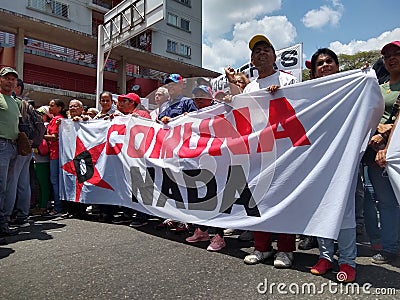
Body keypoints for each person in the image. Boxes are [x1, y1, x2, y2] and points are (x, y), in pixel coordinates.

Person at [240, 35, 298, 269]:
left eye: (266, 49)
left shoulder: (288, 80)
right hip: (259, 152)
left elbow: (301, 110)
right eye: (257, 51)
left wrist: (281, 97)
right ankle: (262, 247)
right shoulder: (251, 87)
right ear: (252, 60)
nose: (261, 53)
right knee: (258, 198)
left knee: (284, 198)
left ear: (274, 56)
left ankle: (285, 249)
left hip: (284, 150)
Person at [308, 48, 357, 282]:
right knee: (320, 209)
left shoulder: (352, 89)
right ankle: (325, 256)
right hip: (316, 160)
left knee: (344, 211)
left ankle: (348, 261)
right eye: (320, 63)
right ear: (314, 72)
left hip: (344, 158)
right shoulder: (309, 95)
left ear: (338, 65)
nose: (325, 65)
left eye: (329, 61)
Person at [364, 41, 400, 264]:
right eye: (387, 56)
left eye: (397, 54)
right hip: (373, 152)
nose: (392, 58)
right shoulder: (381, 87)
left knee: (388, 202)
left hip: (391, 151)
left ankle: (390, 248)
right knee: (378, 200)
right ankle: (388, 242)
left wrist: (387, 141)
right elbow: (369, 114)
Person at [4, 78, 33, 227]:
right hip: (25, 146)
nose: (10, 84)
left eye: (13, 82)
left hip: (18, 145)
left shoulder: (17, 103)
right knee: (22, 183)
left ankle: (6, 217)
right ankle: (21, 215)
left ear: (18, 87)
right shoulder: (24, 103)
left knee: (10, 183)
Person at [0, 67, 20, 242]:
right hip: (1, 144)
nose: (10, 81)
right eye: (7, 78)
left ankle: (4, 224)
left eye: (13, 79)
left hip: (13, 147)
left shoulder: (13, 101)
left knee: (7, 188)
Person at [44, 99, 67, 216]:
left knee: (55, 180)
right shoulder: (54, 119)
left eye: (52, 106)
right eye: (49, 105)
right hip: (55, 153)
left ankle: (58, 207)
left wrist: (41, 136)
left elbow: (54, 137)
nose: (50, 108)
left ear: (60, 108)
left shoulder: (58, 120)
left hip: (56, 153)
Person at [32, 106, 53, 215]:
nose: (39, 116)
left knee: (43, 184)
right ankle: (41, 205)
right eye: (37, 114)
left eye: (41, 114)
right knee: (39, 184)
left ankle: (43, 206)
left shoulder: (46, 126)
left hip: (43, 159)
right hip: (37, 159)